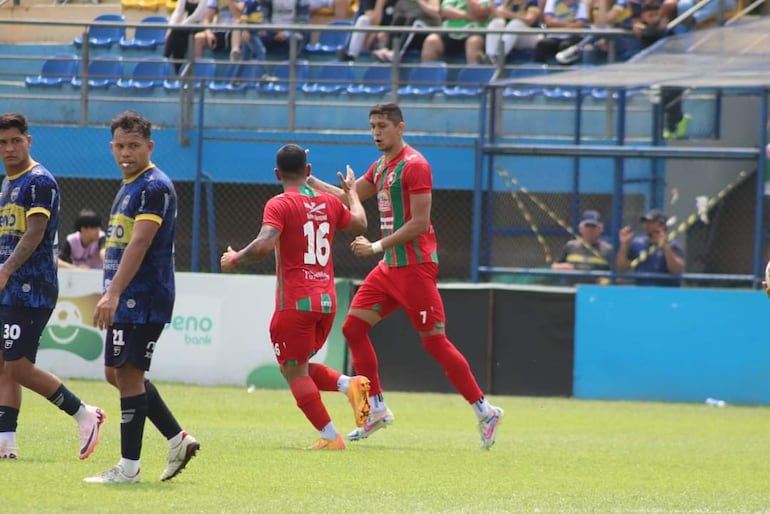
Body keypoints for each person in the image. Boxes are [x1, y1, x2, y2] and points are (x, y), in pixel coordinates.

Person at [306, 103, 504, 449]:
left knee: (434, 342)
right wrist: (308, 180)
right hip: (389, 269)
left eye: (382, 125)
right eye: (372, 126)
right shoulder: (382, 166)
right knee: (353, 327)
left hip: (414, 269)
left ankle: (485, 411)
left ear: (400, 127)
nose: (376, 132)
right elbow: (350, 198)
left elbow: (419, 224)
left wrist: (376, 246)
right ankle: (377, 409)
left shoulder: (416, 166)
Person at [220, 144, 372, 450]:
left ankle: (331, 437)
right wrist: (352, 192)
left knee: (294, 371)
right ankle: (349, 384)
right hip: (327, 302)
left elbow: (263, 246)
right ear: (309, 171)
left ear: (277, 173)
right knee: (296, 367)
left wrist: (234, 259)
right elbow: (360, 223)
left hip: (295, 303)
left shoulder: (279, 204)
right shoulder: (329, 203)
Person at [84, 111, 199, 483]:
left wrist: (113, 293)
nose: (126, 152)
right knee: (115, 372)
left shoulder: (153, 186)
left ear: (150, 146)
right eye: (120, 145)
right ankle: (177, 438)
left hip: (143, 296)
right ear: (111, 146)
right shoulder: (129, 185)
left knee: (129, 375)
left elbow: (142, 240)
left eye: (134, 146)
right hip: (129, 296)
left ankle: (129, 468)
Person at [0, 112, 106, 460]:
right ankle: (5, 443)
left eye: (16, 140)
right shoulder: (8, 183)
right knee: (5, 363)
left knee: (16, 366)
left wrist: (6, 269)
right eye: (3, 142)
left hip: (31, 285)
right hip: (10, 285)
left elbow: (35, 231)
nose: (10, 147)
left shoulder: (38, 181)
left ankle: (83, 413)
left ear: (29, 140)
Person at [616, 208, 685, 286]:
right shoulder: (637, 243)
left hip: (666, 292)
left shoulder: (673, 245)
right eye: (645, 222)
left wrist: (666, 247)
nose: (646, 225)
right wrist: (624, 245)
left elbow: (676, 270)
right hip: (642, 291)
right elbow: (621, 269)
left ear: (661, 225)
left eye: (650, 222)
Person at [551, 209, 613, 285]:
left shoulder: (608, 250)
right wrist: (562, 267)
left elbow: (617, 275)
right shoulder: (570, 246)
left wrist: (607, 280)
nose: (590, 230)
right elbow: (554, 265)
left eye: (593, 226)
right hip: (571, 290)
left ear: (601, 229)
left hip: (596, 292)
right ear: (580, 228)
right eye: (587, 226)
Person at [421, 0, 492, 64]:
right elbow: (445, 11)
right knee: (431, 40)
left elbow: (479, 12)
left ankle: (474, 75)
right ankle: (425, 76)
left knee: (473, 42)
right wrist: (469, 17)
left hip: (475, 32)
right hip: (451, 32)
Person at [164, 0, 209, 73]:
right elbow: (177, 13)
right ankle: (176, 69)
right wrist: (170, 29)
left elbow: (198, 15)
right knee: (176, 36)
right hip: (186, 27)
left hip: (200, 26)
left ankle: (165, 58)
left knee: (177, 32)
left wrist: (182, 25)